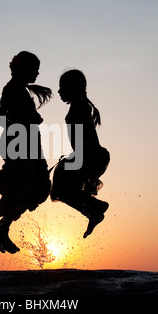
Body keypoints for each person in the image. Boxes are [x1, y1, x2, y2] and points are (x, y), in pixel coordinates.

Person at [0, 51, 52, 254]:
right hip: (18, 145)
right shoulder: (12, 90)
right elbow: (0, 118)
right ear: (24, 69)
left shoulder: (20, 90)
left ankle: (1, 228)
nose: (38, 73)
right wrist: (22, 123)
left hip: (29, 145)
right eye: (35, 69)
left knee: (40, 187)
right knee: (26, 186)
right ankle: (1, 229)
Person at [51, 69, 110, 238]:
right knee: (65, 191)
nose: (59, 92)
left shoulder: (79, 107)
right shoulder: (81, 105)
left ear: (73, 88)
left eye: (62, 88)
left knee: (60, 191)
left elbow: (84, 137)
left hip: (89, 156)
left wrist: (76, 155)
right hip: (91, 155)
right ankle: (93, 211)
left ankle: (95, 209)